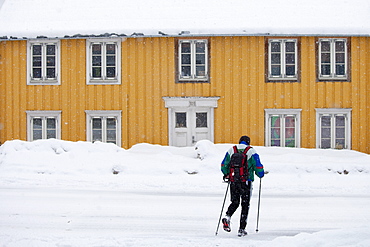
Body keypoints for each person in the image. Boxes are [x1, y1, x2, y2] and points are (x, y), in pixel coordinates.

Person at [220, 135, 264, 236]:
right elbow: (257, 165)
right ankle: (241, 229)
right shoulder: (251, 151)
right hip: (246, 181)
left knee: (235, 202)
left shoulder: (232, 150)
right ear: (248, 142)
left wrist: (227, 174)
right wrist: (260, 174)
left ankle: (227, 217)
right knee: (245, 204)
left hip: (234, 180)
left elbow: (223, 165)